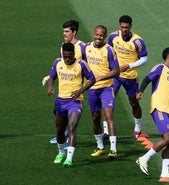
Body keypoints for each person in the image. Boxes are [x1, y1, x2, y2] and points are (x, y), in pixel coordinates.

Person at [135, 47, 169, 183]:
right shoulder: (160, 68)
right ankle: (144, 159)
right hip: (159, 108)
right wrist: (140, 91)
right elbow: (147, 79)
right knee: (167, 138)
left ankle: (165, 174)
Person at [47, 42, 96, 167]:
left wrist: (81, 90)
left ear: (74, 54)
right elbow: (52, 76)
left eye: (69, 56)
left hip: (75, 101)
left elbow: (92, 78)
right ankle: (61, 152)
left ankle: (69, 158)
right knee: (59, 130)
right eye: (65, 56)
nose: (67, 59)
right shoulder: (57, 62)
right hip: (60, 101)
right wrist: (51, 87)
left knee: (72, 127)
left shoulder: (81, 64)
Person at [42, 20, 86, 145]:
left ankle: (67, 136)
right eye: (63, 31)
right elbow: (61, 65)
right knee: (56, 111)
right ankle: (63, 134)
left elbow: (88, 66)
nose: (64, 34)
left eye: (67, 31)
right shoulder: (63, 46)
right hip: (64, 85)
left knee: (72, 113)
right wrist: (50, 76)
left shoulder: (83, 47)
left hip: (78, 87)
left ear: (74, 32)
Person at [108, 15, 148, 139]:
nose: (124, 29)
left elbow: (144, 59)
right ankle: (105, 130)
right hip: (115, 76)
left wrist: (129, 66)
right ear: (119, 26)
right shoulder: (113, 36)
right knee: (108, 101)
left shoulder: (137, 41)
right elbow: (109, 51)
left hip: (130, 77)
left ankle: (137, 127)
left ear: (131, 26)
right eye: (122, 27)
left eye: (126, 27)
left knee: (133, 103)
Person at [83, 25, 120, 159]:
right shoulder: (86, 48)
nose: (98, 37)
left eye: (101, 35)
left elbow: (116, 71)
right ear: (94, 34)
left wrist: (100, 77)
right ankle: (100, 147)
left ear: (104, 36)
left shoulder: (109, 50)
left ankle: (113, 149)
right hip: (92, 89)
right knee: (95, 117)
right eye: (97, 35)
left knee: (108, 115)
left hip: (106, 88)